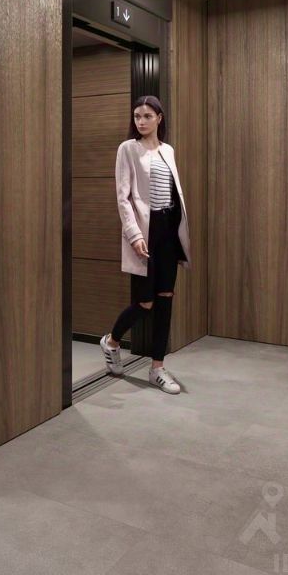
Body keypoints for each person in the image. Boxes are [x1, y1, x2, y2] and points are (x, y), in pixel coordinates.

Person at [99, 95, 191, 394]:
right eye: (137, 116)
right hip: (145, 230)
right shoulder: (128, 148)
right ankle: (112, 341)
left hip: (168, 231)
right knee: (145, 302)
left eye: (147, 116)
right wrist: (134, 234)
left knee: (165, 298)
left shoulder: (168, 150)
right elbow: (123, 197)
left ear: (159, 118)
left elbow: (174, 194)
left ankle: (157, 368)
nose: (141, 121)